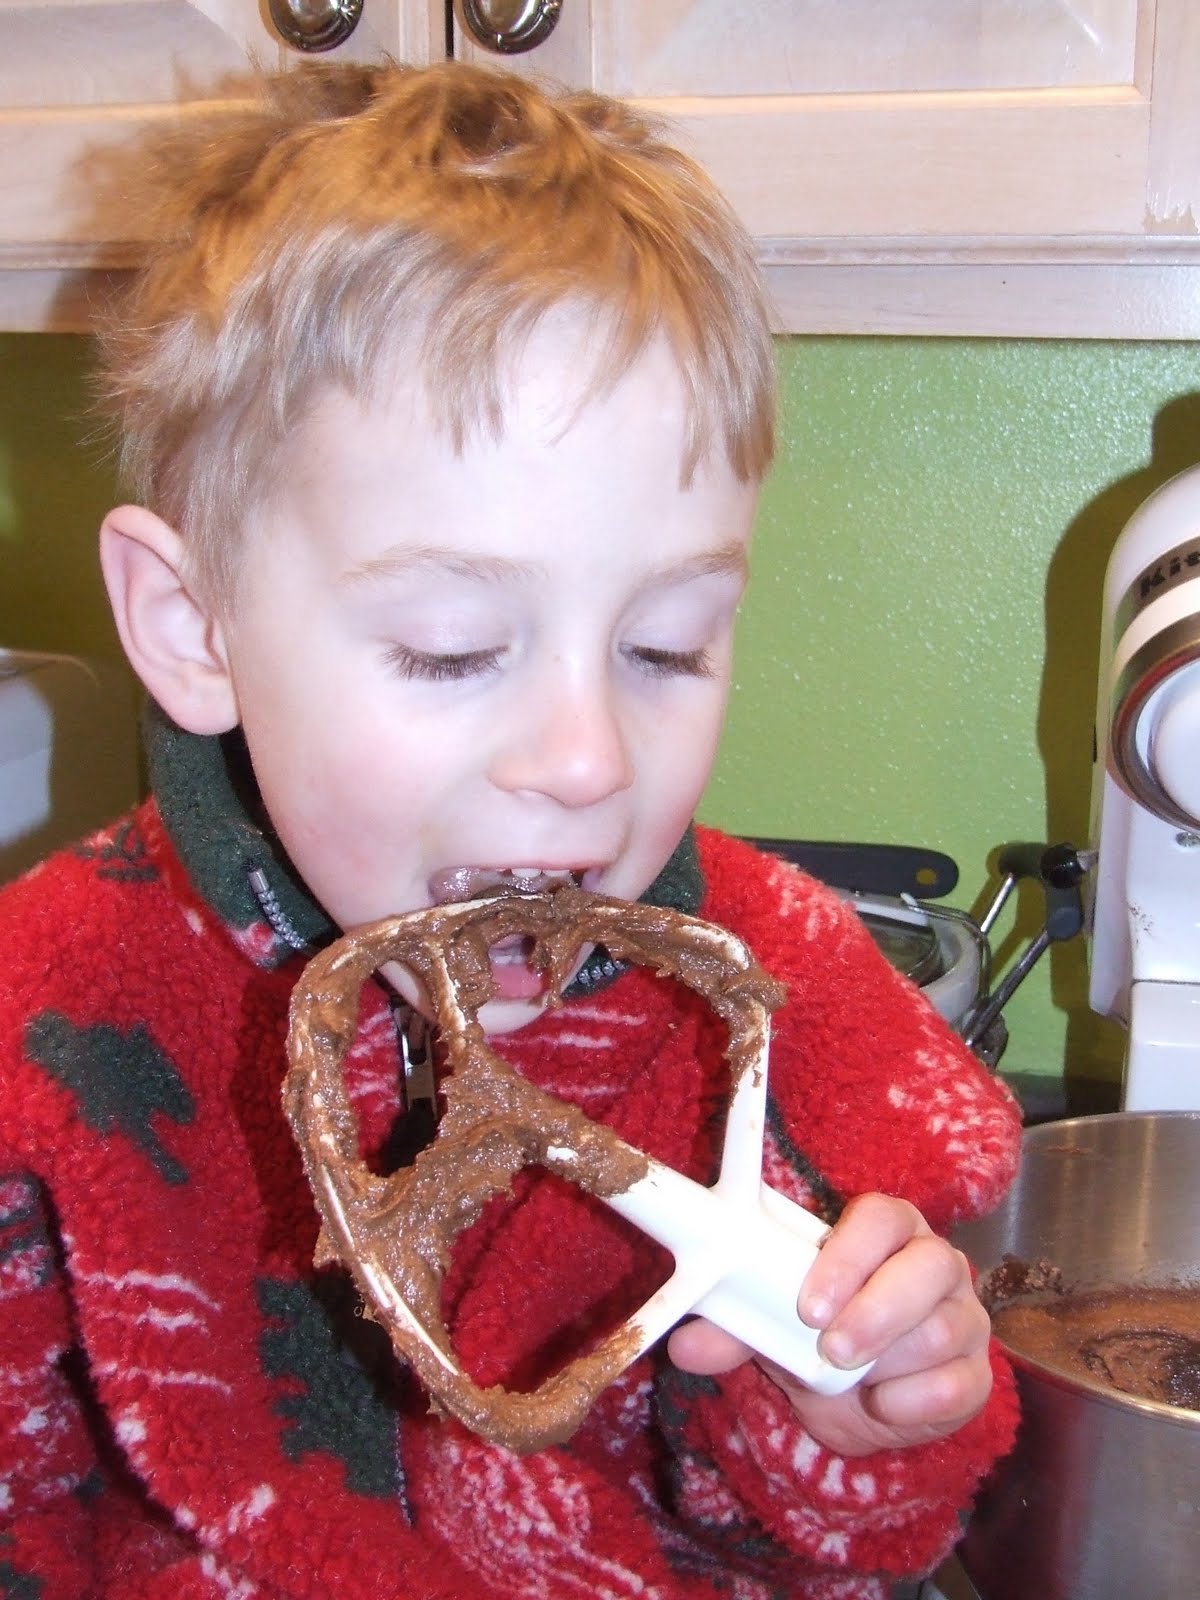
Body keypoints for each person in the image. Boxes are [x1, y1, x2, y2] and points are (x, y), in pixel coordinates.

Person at [0, 60, 1021, 1599]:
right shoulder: (45, 1019)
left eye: (667, 645)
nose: (587, 759)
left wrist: (857, 1425)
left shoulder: (784, 1005)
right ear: (196, 626)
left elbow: (835, 1549)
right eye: (454, 649)